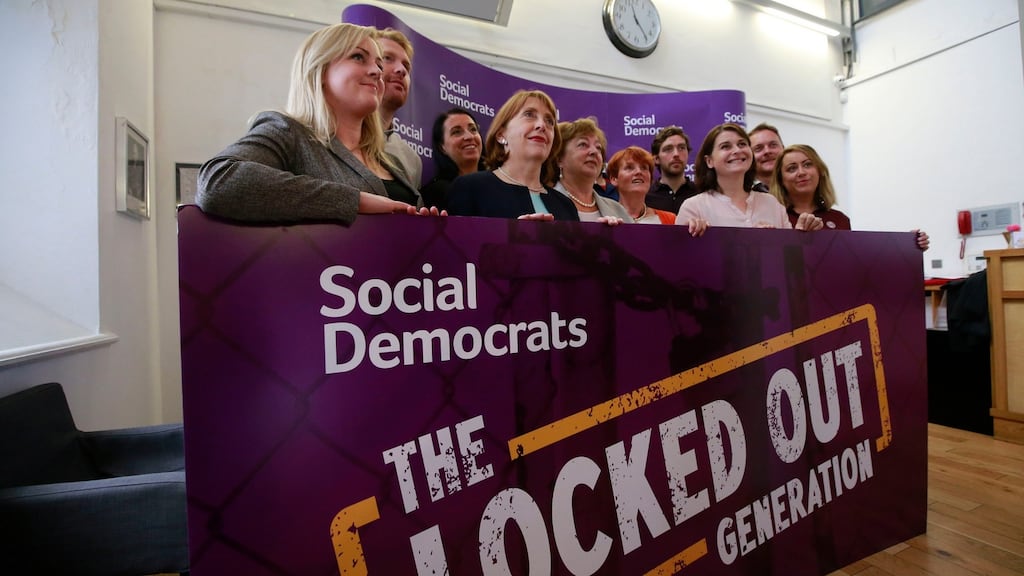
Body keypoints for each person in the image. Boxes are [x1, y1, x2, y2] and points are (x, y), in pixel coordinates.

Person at [197, 23, 433, 224]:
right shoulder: (288, 132)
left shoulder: (391, 159)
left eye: (379, 65)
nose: (376, 72)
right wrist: (355, 201)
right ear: (319, 70)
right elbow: (218, 181)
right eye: (358, 57)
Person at [447, 90, 578, 221]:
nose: (542, 125)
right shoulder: (470, 188)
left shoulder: (566, 206)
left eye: (549, 121)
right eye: (529, 114)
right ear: (501, 134)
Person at [772, 144, 930, 248]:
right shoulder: (775, 217)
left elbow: (857, 262)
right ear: (781, 180)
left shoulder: (840, 220)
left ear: (820, 171)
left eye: (807, 165)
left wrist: (909, 246)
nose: (801, 172)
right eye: (792, 168)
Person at [676, 123, 823, 231]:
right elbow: (680, 263)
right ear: (709, 161)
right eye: (726, 146)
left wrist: (800, 236)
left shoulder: (772, 204)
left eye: (742, 144)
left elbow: (790, 261)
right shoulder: (694, 207)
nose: (737, 150)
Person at [609, 146, 708, 235]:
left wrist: (694, 230)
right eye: (629, 168)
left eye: (644, 168)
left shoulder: (670, 219)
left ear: (651, 179)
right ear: (614, 179)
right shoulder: (605, 218)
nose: (639, 172)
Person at [551, 118, 630, 222]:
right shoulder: (544, 203)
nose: (594, 151)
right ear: (559, 159)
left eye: (598, 147)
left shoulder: (618, 210)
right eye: (583, 144)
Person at [374, 28, 423, 188]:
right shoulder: (325, 137)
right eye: (387, 58)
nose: (401, 70)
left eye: (406, 67)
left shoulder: (412, 159)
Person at [420, 107, 485, 211]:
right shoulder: (437, 192)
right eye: (457, 132)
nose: (469, 136)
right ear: (442, 147)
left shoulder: (497, 188)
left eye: (473, 129)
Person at [645, 126, 699, 213]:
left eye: (681, 148)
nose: (676, 154)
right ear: (656, 159)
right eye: (668, 149)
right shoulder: (645, 197)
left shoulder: (701, 194)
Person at [749, 122, 783, 193]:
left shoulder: (801, 187)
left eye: (773, 145)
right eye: (758, 148)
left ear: (783, 148)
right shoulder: (743, 193)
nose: (767, 151)